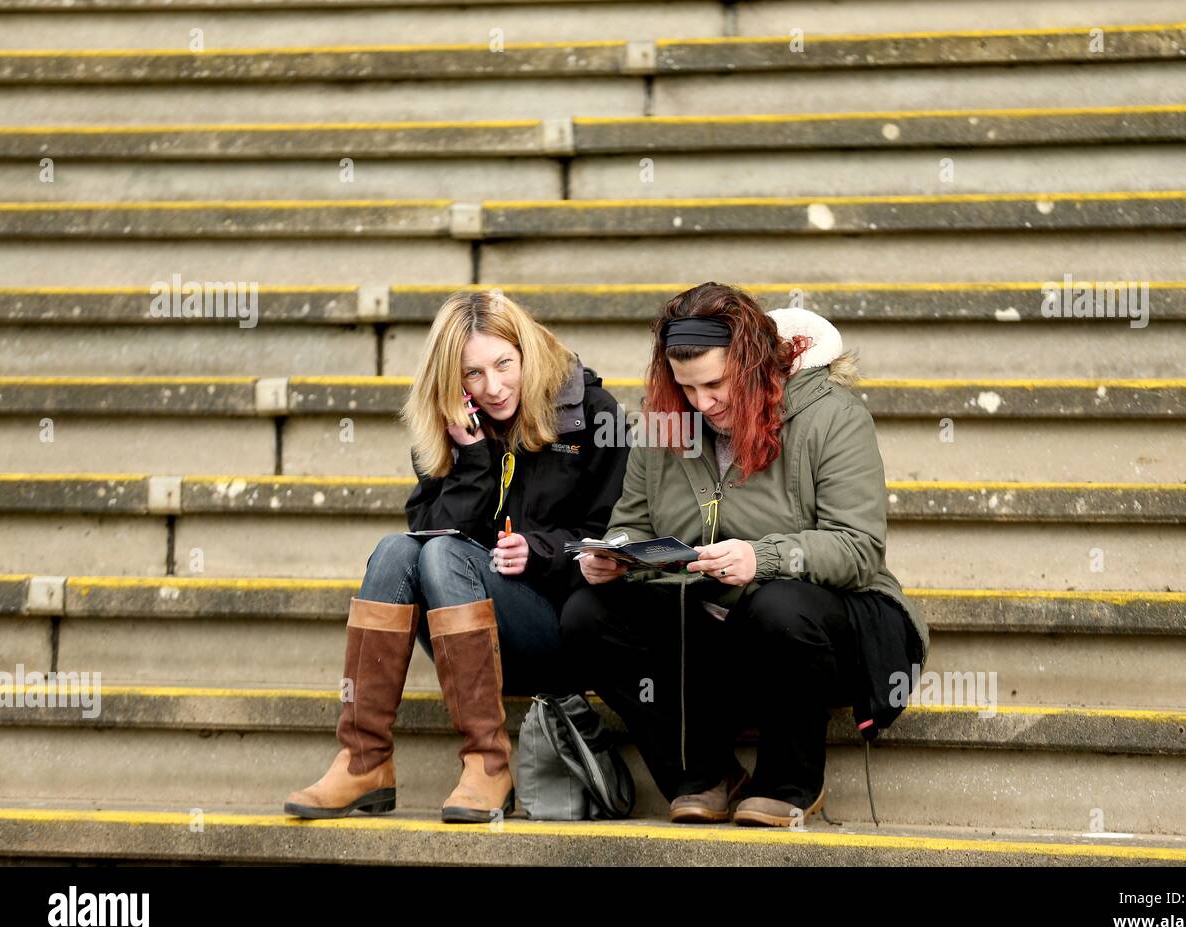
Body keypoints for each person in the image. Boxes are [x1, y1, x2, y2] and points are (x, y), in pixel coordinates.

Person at [561, 282, 930, 827]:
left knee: (778, 604)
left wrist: (764, 557)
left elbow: (859, 549)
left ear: (753, 363)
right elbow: (631, 525)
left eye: (715, 383)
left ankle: (790, 782)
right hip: (713, 629)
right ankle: (704, 774)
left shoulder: (833, 416)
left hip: (827, 629)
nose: (702, 403)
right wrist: (614, 557)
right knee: (586, 617)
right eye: (686, 387)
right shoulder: (666, 423)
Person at [285, 289, 630, 822]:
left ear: (525, 353)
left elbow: (614, 534)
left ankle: (488, 764)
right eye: (472, 374)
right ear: (452, 380)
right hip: (465, 637)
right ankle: (363, 759)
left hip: (556, 625)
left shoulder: (589, 413)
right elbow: (425, 535)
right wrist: (473, 460)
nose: (493, 387)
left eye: (503, 364)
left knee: (440, 553)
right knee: (397, 550)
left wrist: (540, 552)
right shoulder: (451, 425)